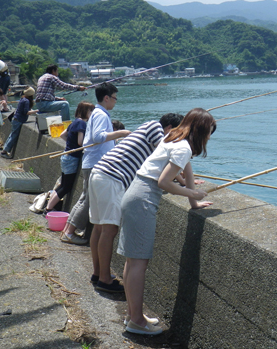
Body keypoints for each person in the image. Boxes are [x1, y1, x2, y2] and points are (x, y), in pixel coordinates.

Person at [118, 108, 216, 335]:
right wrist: (194, 195)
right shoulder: (183, 147)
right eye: (209, 132)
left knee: (132, 262)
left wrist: (193, 203)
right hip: (143, 200)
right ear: (201, 130)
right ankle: (136, 322)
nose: (210, 137)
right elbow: (164, 182)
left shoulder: (174, 138)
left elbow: (186, 170)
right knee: (139, 264)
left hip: (135, 194)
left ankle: (135, 317)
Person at [88, 113, 184, 293]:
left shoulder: (147, 127)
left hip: (100, 172)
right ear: (170, 128)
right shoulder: (156, 128)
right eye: (178, 133)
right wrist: (184, 180)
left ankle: (97, 273)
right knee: (109, 229)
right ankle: (104, 279)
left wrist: (180, 177)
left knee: (99, 228)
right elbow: (166, 158)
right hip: (112, 177)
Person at [63, 83, 130, 245]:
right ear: (106, 98)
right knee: (88, 200)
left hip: (91, 162)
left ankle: (67, 230)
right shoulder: (101, 114)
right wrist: (121, 133)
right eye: (114, 98)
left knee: (85, 198)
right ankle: (69, 233)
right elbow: (98, 137)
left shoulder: (97, 113)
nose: (115, 101)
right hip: (95, 164)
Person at [45, 101, 95, 213]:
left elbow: (62, 135)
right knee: (66, 187)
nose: (93, 113)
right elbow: (80, 142)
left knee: (62, 184)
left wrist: (70, 144)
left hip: (66, 156)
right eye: (91, 110)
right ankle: (48, 209)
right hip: (72, 159)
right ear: (86, 111)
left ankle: (48, 207)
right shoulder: (82, 124)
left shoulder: (75, 122)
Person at [1, 87, 38, 159]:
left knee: (11, 135)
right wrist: (36, 111)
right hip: (18, 121)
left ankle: (5, 149)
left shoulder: (23, 99)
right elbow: (26, 112)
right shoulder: (27, 101)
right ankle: (4, 152)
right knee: (13, 136)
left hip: (15, 119)